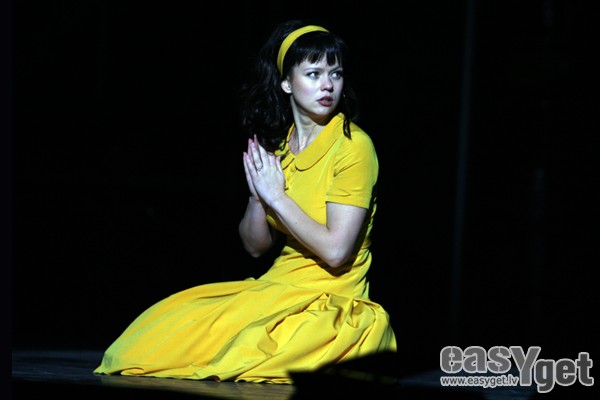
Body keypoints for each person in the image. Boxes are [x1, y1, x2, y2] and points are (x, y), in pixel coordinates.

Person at [93, 19, 397, 384]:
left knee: (250, 355)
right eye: (313, 74)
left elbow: (336, 251)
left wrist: (277, 197)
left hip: (333, 303)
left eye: (336, 74)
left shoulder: (353, 146)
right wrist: (258, 196)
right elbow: (255, 247)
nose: (327, 85)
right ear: (287, 83)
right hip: (277, 289)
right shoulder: (281, 148)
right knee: (157, 337)